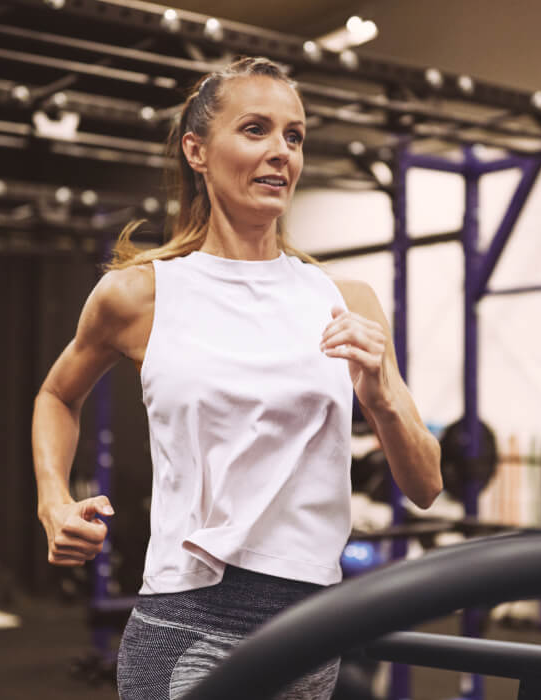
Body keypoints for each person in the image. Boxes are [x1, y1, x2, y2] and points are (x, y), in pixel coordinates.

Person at [31, 56, 443, 700]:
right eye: (256, 129)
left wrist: (382, 397)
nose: (281, 151)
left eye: (294, 135)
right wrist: (53, 501)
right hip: (188, 620)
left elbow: (426, 485)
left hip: (311, 625)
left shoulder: (347, 299)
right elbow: (57, 394)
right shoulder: (141, 294)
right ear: (197, 150)